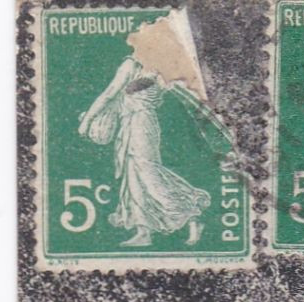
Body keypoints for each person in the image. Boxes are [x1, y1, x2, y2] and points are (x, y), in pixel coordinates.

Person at [79, 55, 211, 246]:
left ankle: (190, 215)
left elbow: (109, 94)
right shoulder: (158, 67)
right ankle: (144, 231)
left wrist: (87, 121)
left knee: (148, 176)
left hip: (140, 124)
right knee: (135, 176)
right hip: (138, 122)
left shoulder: (138, 65)